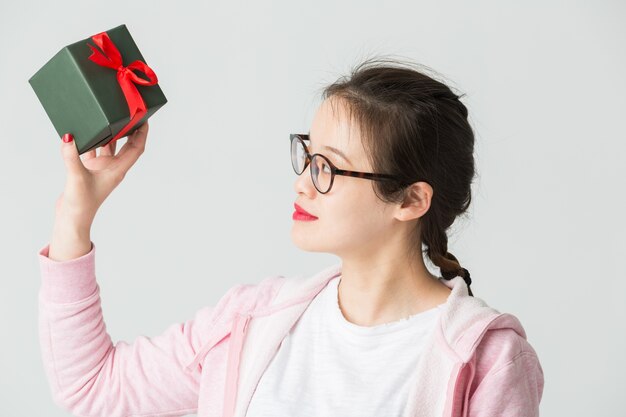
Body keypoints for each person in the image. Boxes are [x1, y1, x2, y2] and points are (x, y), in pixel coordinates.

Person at [37, 58, 544, 417]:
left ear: (411, 200)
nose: (303, 182)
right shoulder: (252, 321)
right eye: (308, 154)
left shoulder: (486, 359)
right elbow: (91, 387)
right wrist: (74, 217)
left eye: (329, 168)